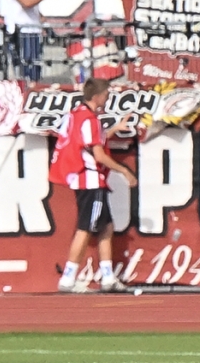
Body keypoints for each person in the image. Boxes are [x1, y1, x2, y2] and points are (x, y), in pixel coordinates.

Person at [52, 76, 139, 293]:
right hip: (90, 180)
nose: (107, 99)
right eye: (106, 95)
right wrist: (124, 171)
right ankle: (68, 278)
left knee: (106, 226)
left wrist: (115, 128)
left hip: (83, 179)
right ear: (98, 96)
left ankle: (108, 277)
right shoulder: (89, 119)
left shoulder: (76, 115)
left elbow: (90, 141)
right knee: (85, 228)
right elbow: (98, 154)